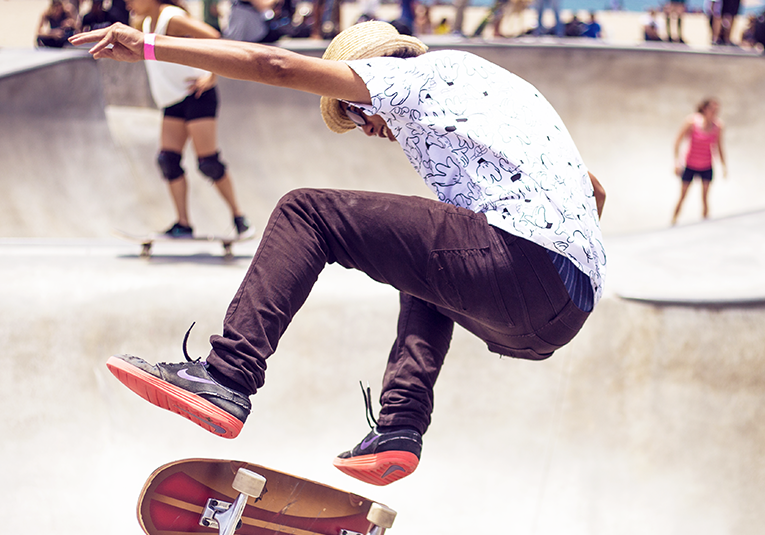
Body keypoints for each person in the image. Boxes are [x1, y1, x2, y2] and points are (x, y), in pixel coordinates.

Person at [70, 20, 606, 486]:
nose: (366, 128)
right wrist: (546, 276)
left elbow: (272, 64)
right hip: (562, 313)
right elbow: (595, 192)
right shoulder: (491, 95)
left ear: (370, 74)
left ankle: (227, 376)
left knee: (307, 212)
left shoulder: (409, 75)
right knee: (423, 261)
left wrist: (146, 46)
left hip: (516, 263)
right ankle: (401, 424)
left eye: (354, 111)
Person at [127, 0, 251, 237]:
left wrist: (212, 76)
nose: (127, 3)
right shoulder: (144, 22)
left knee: (208, 163)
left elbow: (215, 37)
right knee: (168, 161)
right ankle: (183, 224)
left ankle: (239, 218)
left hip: (197, 95)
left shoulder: (171, 18)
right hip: (173, 101)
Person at [672, 98, 726, 224]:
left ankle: (705, 222)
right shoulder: (692, 122)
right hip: (690, 164)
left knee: (705, 197)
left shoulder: (717, 126)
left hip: (706, 165)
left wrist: (724, 166)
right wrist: (676, 162)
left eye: (717, 110)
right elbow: (677, 141)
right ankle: (673, 221)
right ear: (704, 109)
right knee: (683, 196)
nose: (715, 112)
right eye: (712, 109)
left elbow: (719, 147)